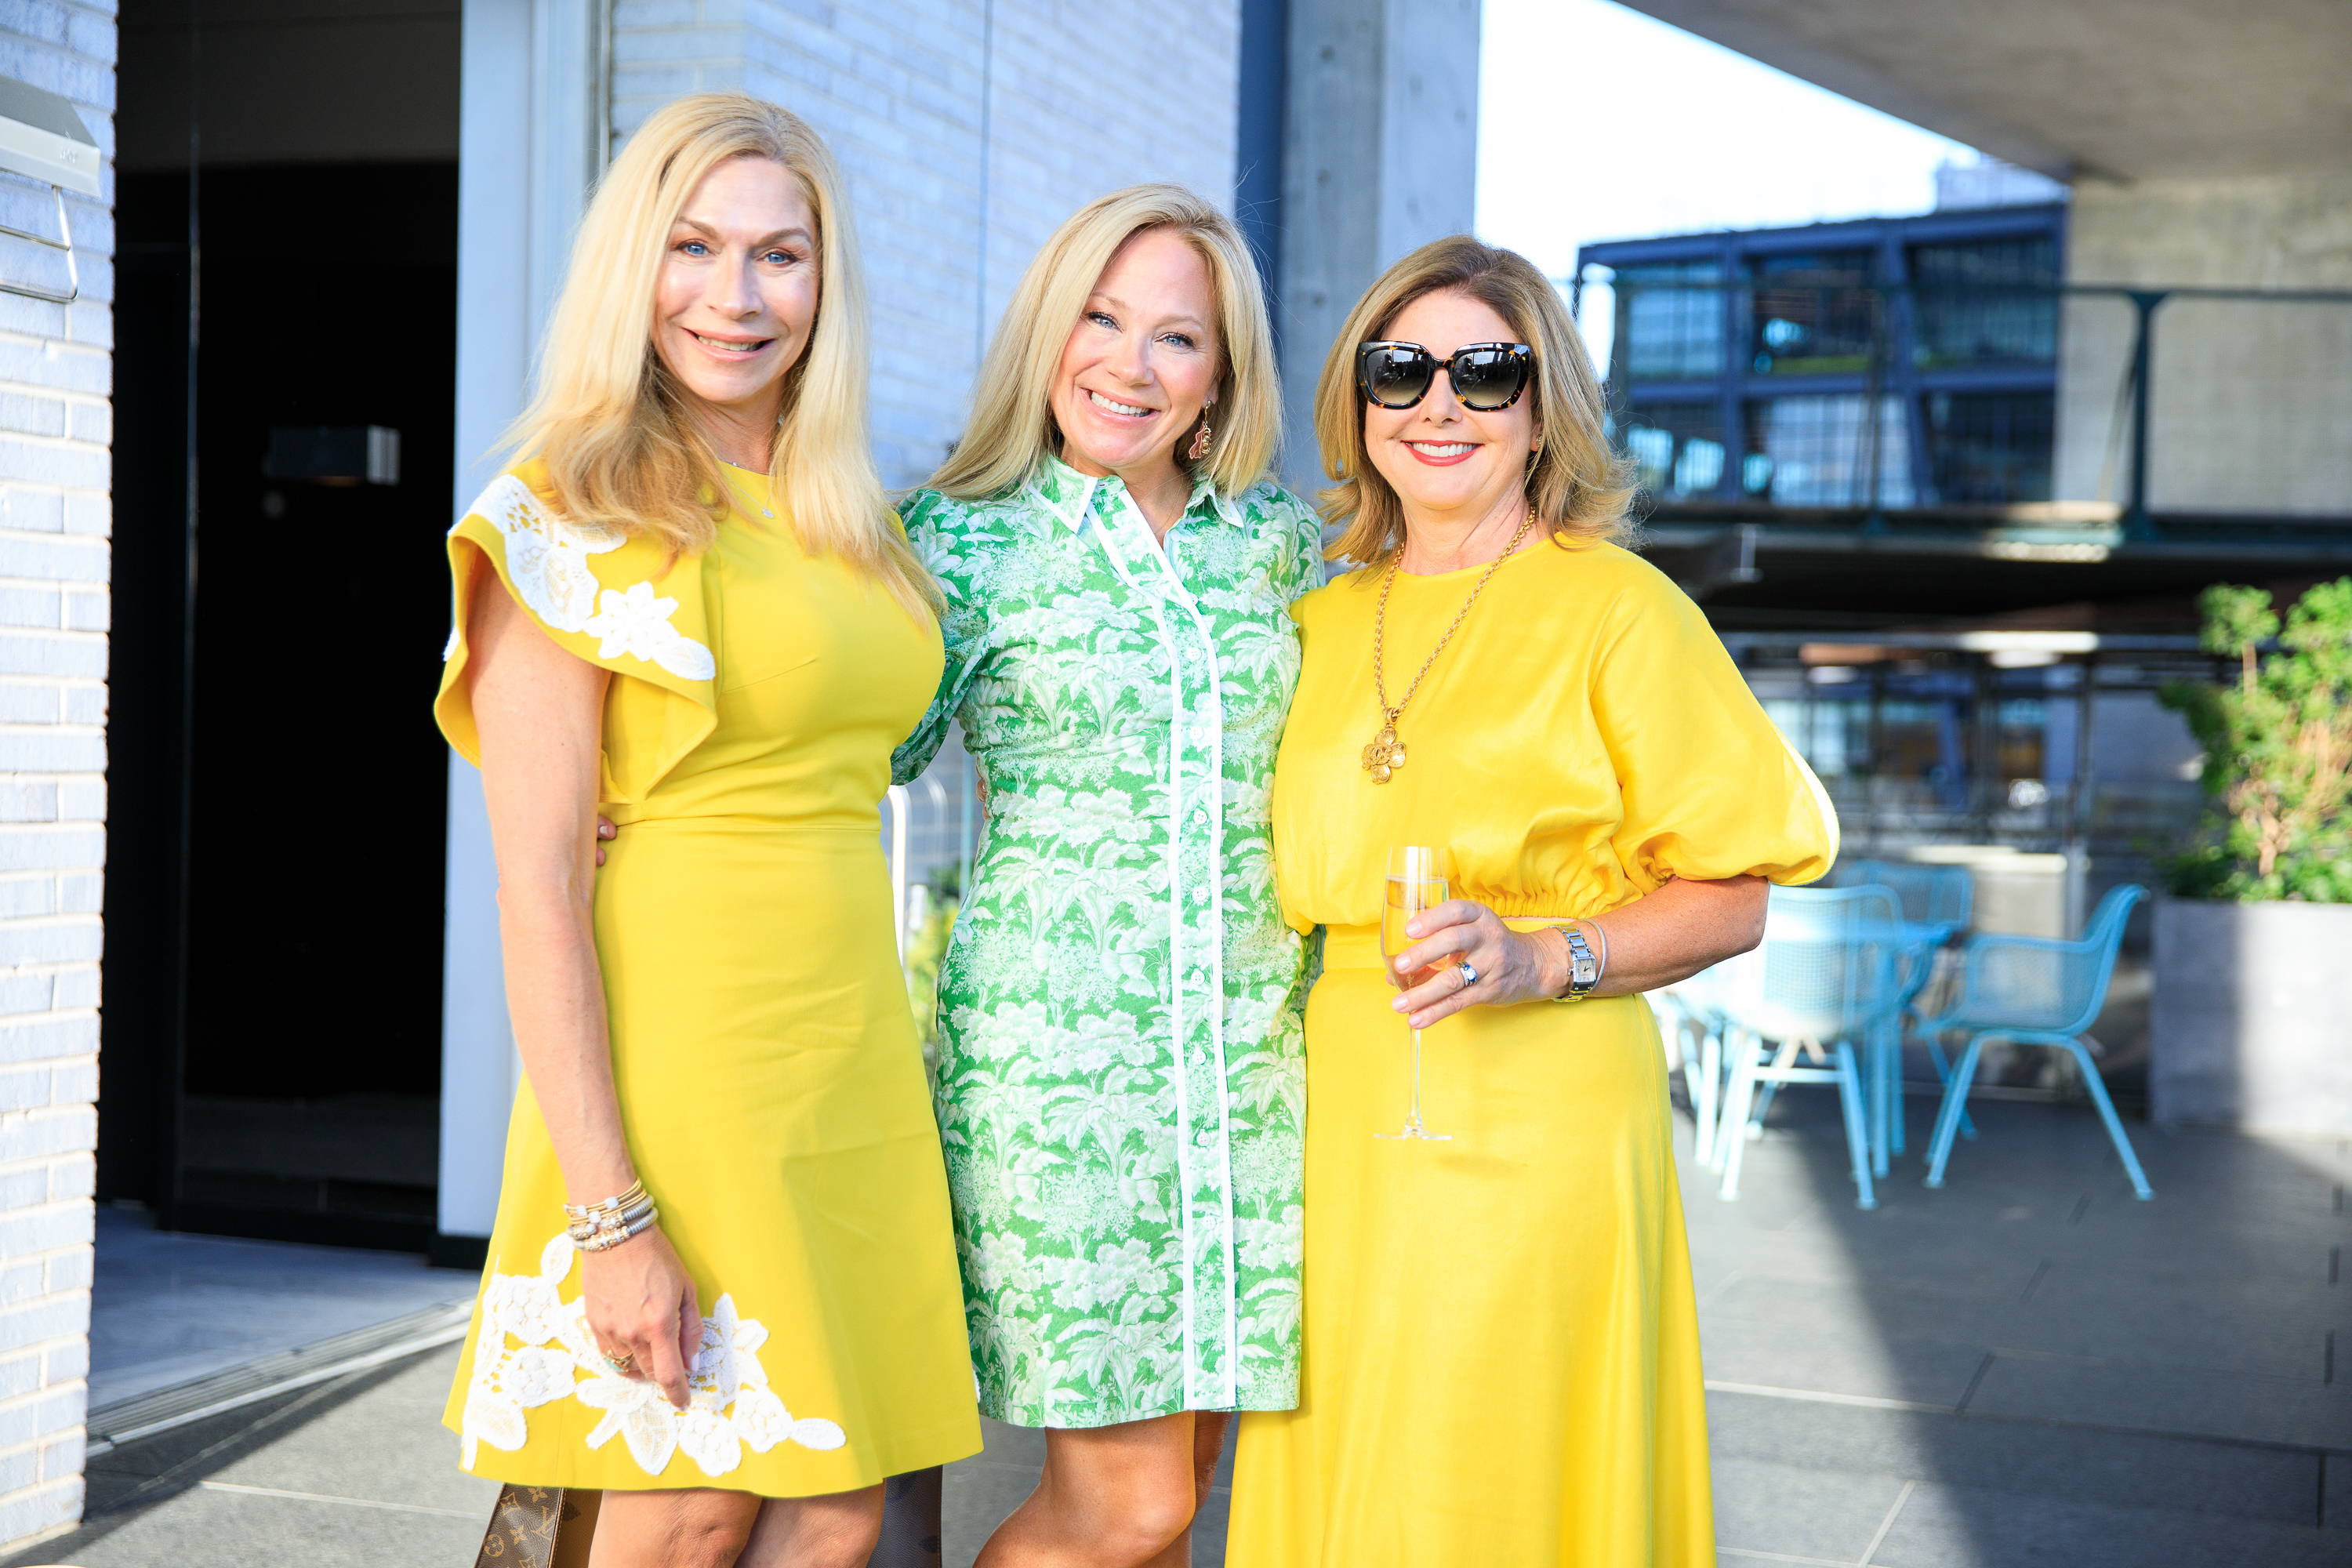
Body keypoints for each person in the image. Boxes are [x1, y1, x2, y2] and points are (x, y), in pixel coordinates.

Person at [1224, 236, 1838, 1566]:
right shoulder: (1313, 621)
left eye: (1485, 372)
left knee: (1500, 1467)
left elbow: (1734, 894)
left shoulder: (1622, 610)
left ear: (1543, 406)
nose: (1439, 404)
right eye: (1402, 370)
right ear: (1360, 402)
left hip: (1541, 1107)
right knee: (1358, 1458)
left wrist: (1546, 956)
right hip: (1334, 1117)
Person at [433, 93, 978, 1567]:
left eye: (779, 256)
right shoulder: (566, 512)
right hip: (680, 1064)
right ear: (635, 265)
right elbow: (538, 890)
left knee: (840, 1506)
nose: (735, 296)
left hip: (847, 1055)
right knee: (686, 1504)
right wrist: (612, 1216)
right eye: (693, 247)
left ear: (825, 281)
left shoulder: (848, 517)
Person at [890, 185, 1323, 1567]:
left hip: (1260, 1070)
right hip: (1062, 1070)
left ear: (1221, 377)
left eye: (1175, 337)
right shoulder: (955, 539)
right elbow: (845, 747)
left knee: (1182, 1491)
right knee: (1129, 1507)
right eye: (1099, 317)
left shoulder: (1275, 541)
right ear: (1047, 331)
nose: (1129, 364)